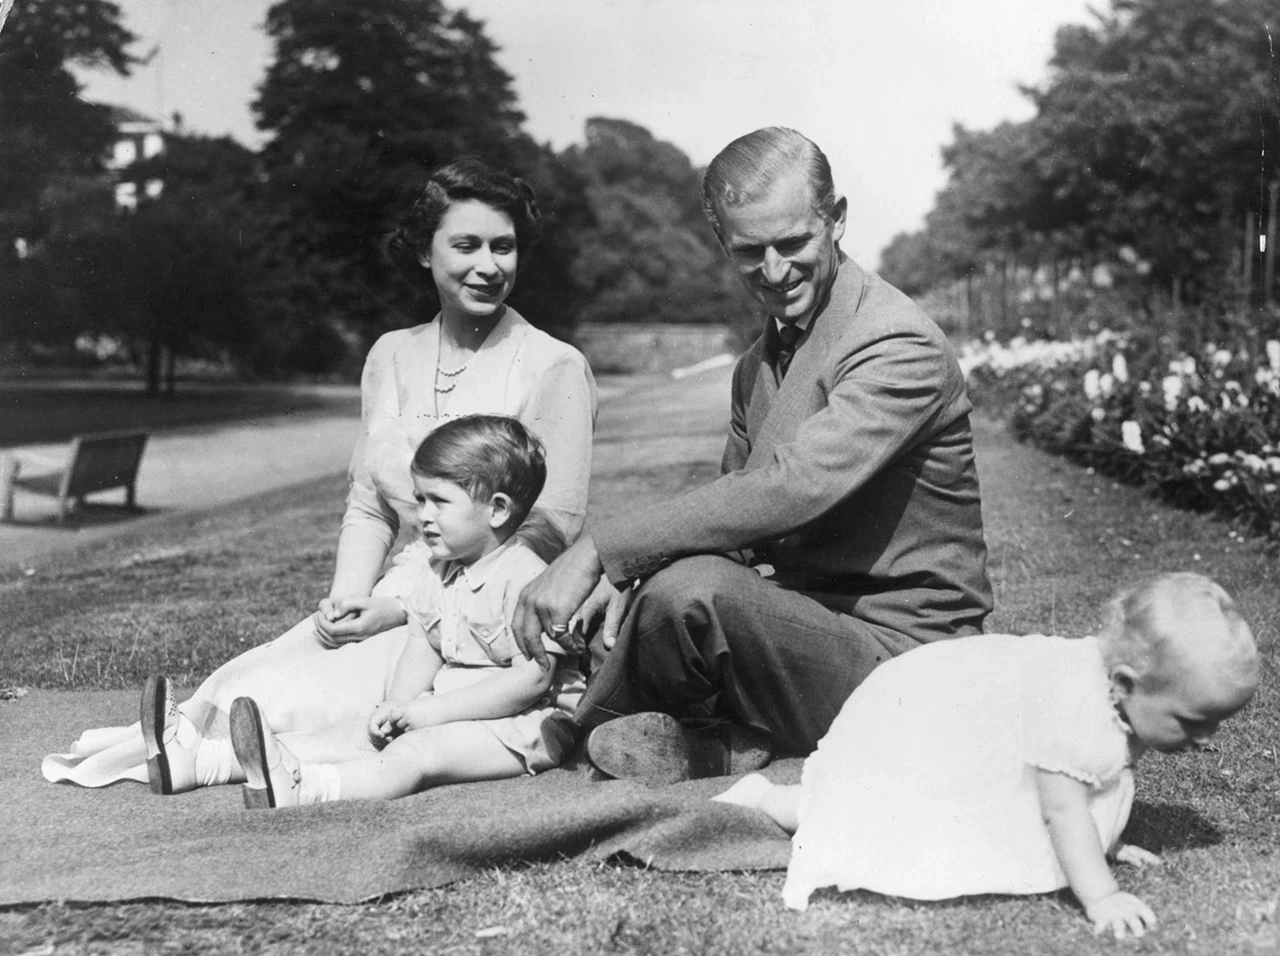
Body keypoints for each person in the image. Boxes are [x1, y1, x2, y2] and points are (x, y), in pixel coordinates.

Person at [43, 159, 597, 793]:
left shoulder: (553, 365)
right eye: (466, 245)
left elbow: (551, 529)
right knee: (244, 679)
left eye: (504, 246)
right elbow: (369, 504)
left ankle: (215, 759)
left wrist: (399, 609)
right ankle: (191, 752)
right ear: (423, 251)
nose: (489, 265)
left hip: (478, 618)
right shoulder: (391, 355)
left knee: (300, 702)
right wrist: (346, 603)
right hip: (389, 593)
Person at [514, 127, 991, 781]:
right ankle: (692, 738)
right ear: (724, 245)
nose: (774, 272)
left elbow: (790, 488)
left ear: (837, 220)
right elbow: (732, 527)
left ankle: (589, 734)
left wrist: (602, 547)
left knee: (691, 589)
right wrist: (619, 580)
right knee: (659, 584)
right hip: (802, 629)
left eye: (793, 243)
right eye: (750, 252)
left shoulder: (896, 342)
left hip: (910, 661)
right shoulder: (756, 365)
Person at [712, 573, 1260, 939]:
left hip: (972, 724)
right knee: (880, 815)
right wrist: (1102, 895)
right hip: (932, 728)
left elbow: (1104, 779)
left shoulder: (1122, 701)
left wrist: (1109, 839)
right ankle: (771, 799)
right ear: (1125, 682)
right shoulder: (1078, 707)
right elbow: (1064, 809)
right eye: (1193, 721)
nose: (1208, 738)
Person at [228, 415, 583, 807]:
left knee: (417, 754)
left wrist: (435, 711)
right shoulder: (439, 569)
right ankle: (215, 760)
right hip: (451, 709)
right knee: (357, 731)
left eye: (439, 501)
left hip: (525, 726)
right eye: (419, 499)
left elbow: (531, 681)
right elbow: (423, 643)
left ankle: (307, 787)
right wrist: (397, 704)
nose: (423, 516)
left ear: (497, 510)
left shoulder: (525, 578)